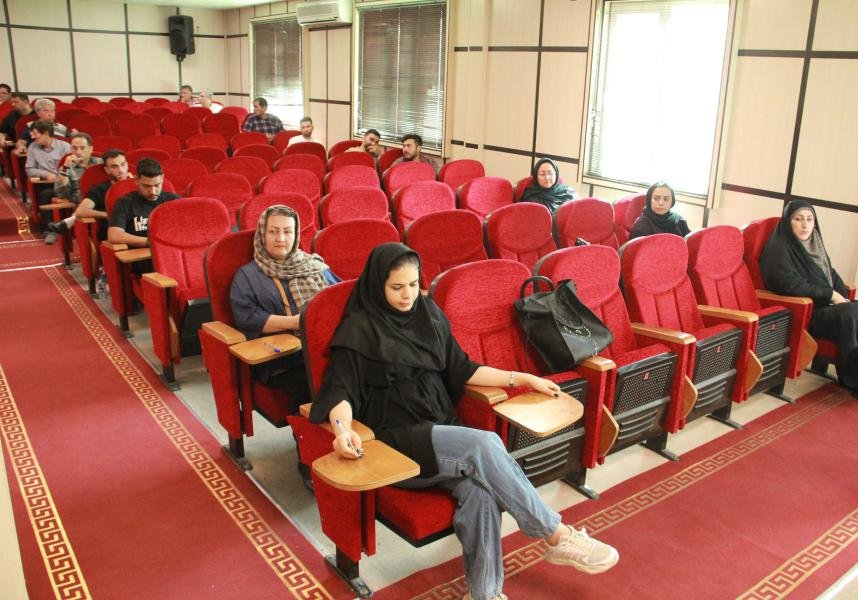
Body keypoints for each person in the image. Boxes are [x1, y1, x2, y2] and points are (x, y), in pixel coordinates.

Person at [309, 243, 620, 600]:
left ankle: (484, 594)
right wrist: (342, 429)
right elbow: (339, 392)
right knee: (483, 444)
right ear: (378, 285)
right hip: (396, 441)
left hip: (440, 428)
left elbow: (463, 369)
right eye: (396, 287)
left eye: (413, 284)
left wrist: (521, 378)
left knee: (480, 492)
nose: (407, 295)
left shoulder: (428, 314)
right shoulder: (359, 329)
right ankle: (555, 534)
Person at [760, 200, 858, 408]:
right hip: (808, 311)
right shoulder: (778, 248)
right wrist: (831, 295)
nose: (805, 225)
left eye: (810, 219)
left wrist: (842, 295)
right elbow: (789, 284)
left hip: (830, 307)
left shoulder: (814, 243)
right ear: (788, 222)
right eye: (798, 219)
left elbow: (830, 273)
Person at [230, 205, 339, 406]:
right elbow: (248, 318)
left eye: (287, 231)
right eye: (273, 231)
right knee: (323, 382)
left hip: (327, 347)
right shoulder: (247, 276)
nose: (280, 238)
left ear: (296, 235)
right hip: (282, 359)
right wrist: (296, 322)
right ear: (262, 235)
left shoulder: (314, 265)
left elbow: (339, 298)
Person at [108, 158, 180, 273]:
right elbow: (114, 235)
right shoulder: (125, 203)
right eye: (147, 186)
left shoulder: (174, 200)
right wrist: (150, 242)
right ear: (136, 180)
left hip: (173, 255)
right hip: (143, 258)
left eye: (157, 185)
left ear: (162, 178)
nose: (153, 191)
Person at [47, 132, 103, 237]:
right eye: (74, 148)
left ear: (91, 149)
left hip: (103, 199)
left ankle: (68, 222)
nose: (78, 152)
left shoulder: (101, 163)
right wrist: (65, 168)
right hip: (81, 202)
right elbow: (61, 194)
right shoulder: (65, 168)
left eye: (82, 148)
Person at [24, 120, 71, 243]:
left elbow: (73, 167)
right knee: (45, 194)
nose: (32, 137)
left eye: (35, 133)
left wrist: (61, 176)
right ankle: (49, 230)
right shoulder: (33, 147)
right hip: (47, 184)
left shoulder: (65, 146)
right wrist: (45, 174)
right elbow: (29, 169)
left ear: (45, 133)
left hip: (66, 183)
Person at [73, 149, 131, 242]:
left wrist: (133, 185)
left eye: (123, 165)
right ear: (107, 170)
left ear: (127, 165)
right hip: (115, 234)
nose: (120, 170)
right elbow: (81, 211)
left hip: (139, 230)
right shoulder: (100, 189)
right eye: (114, 167)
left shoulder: (139, 185)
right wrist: (109, 215)